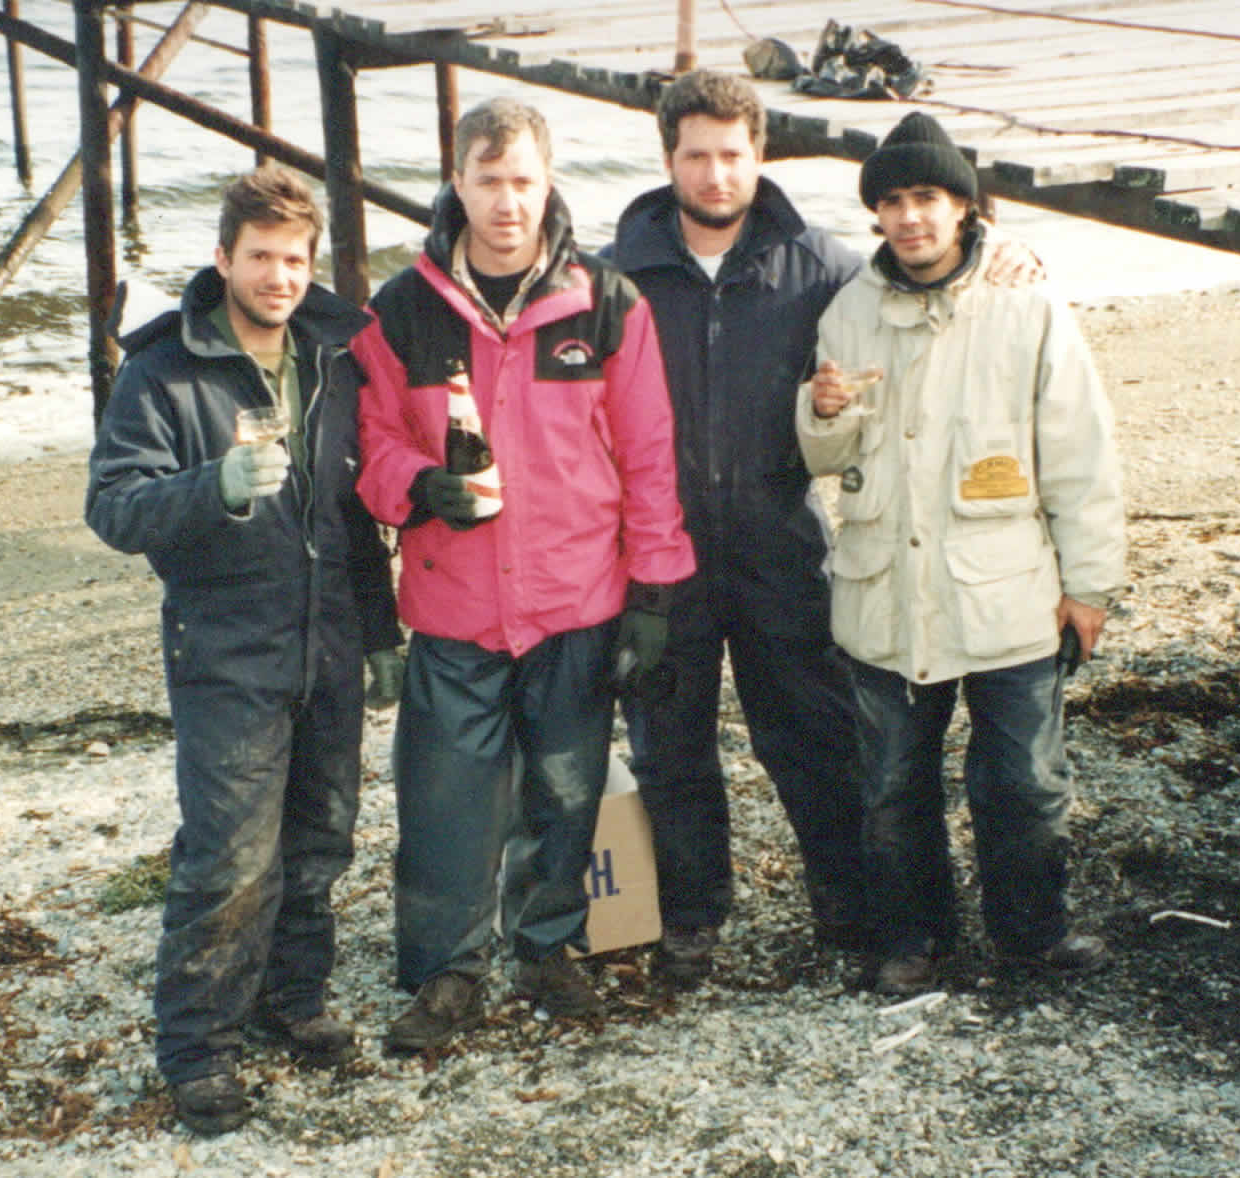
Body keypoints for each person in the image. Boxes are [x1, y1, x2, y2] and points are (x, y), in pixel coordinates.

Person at [604, 71, 1043, 984]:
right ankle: (691, 915)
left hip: (782, 540)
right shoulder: (618, 272)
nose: (717, 173)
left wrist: (1000, 244)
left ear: (760, 155)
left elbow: (920, 278)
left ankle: (848, 904)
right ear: (668, 160)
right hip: (660, 550)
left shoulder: (823, 264)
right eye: (698, 155)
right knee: (670, 745)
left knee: (813, 735)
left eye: (734, 154)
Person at [352, 98, 695, 1051]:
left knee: (564, 790)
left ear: (549, 185)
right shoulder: (400, 309)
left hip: (576, 600)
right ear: (455, 181)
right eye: (489, 180)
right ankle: (446, 971)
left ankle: (546, 943)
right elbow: (368, 445)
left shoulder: (607, 303)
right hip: (456, 607)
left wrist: (655, 595)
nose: (508, 203)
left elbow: (648, 457)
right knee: (446, 800)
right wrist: (419, 486)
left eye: (524, 182)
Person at [85, 167, 403, 1134]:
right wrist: (214, 483)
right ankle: (197, 1049)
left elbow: (354, 511)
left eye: (294, 259)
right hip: (225, 645)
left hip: (332, 634)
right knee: (226, 856)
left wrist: (381, 631)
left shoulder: (338, 356)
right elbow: (114, 507)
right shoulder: (162, 371)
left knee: (321, 838)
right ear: (223, 258)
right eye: (258, 256)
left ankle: (292, 999)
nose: (278, 275)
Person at [797, 111, 1126, 997]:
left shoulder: (1029, 303)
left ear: (965, 206)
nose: (911, 217)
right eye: (893, 201)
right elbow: (825, 463)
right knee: (894, 791)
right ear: (876, 215)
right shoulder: (847, 312)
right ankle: (917, 939)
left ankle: (1033, 934)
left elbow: (1082, 455)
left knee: (1023, 784)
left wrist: (1090, 585)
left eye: (928, 198)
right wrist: (823, 413)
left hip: (1007, 597)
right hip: (885, 602)